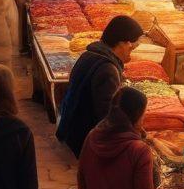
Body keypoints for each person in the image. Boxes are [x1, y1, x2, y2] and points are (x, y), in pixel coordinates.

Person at [56, 14, 145, 157]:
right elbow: (106, 115)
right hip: (84, 139)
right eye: (131, 47)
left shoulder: (89, 54)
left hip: (69, 127)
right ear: (122, 43)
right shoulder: (108, 69)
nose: (131, 52)